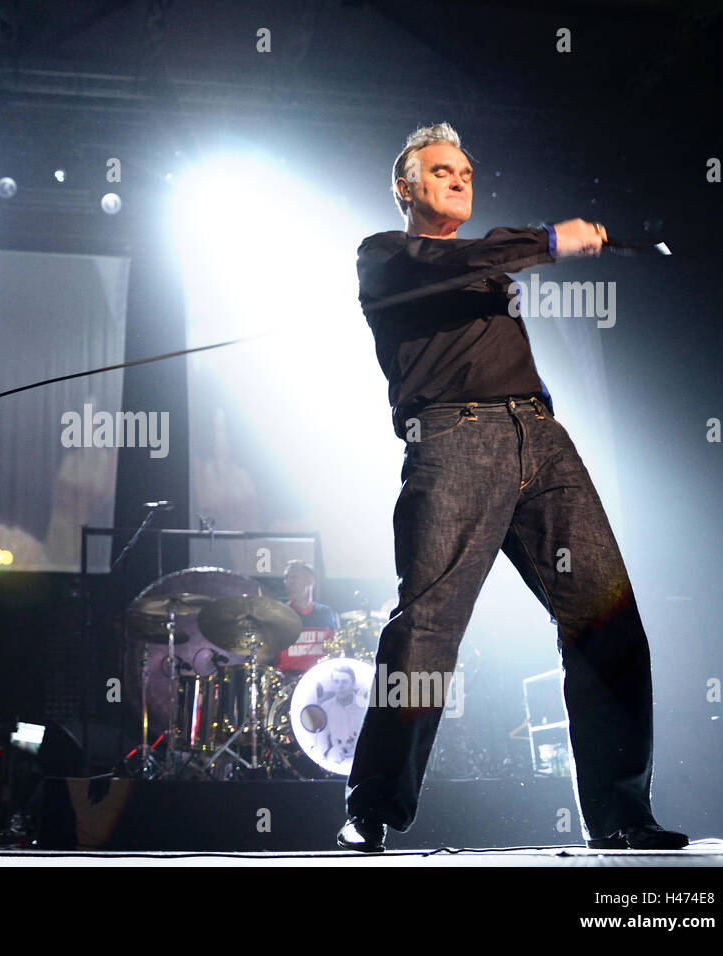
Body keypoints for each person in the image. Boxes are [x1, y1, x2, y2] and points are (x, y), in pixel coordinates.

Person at [337, 123, 686, 853]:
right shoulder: (387, 254)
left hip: (541, 439)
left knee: (606, 619)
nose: (460, 179)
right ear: (406, 187)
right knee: (428, 628)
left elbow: (482, 268)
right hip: (454, 440)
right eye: (441, 170)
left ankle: (622, 816)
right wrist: (550, 241)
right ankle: (371, 808)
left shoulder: (483, 267)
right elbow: (467, 259)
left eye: (465, 169)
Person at [275, 559, 341, 673]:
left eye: (294, 577)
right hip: (287, 681)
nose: (289, 582)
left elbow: (337, 650)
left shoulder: (326, 613)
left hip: (319, 678)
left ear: (310, 581)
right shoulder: (279, 614)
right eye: (286, 578)